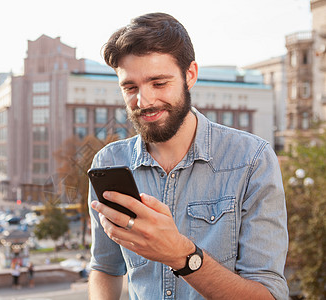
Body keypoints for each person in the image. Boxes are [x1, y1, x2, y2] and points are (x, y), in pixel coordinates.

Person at [88, 12, 288, 300]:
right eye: (130, 87)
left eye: (158, 83)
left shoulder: (252, 160)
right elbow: (105, 267)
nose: (144, 101)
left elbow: (269, 295)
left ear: (190, 75)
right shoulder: (108, 163)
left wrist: (181, 255)